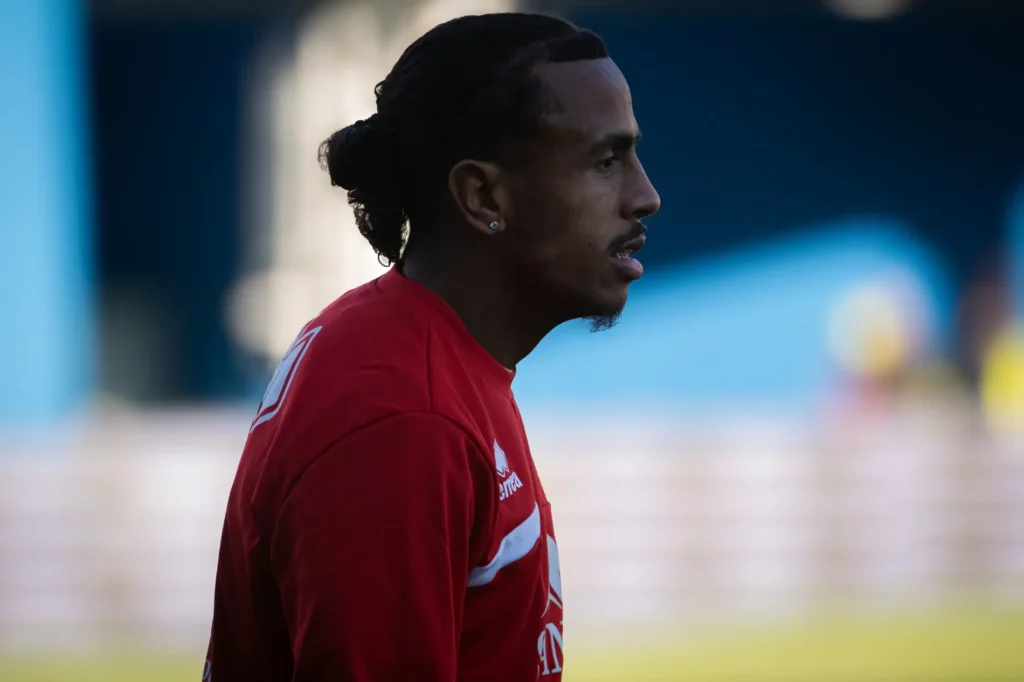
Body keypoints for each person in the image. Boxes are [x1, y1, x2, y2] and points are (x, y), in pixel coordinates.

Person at [205, 12, 660, 682]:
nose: (645, 196)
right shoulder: (404, 418)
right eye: (605, 161)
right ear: (483, 196)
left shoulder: (424, 353)